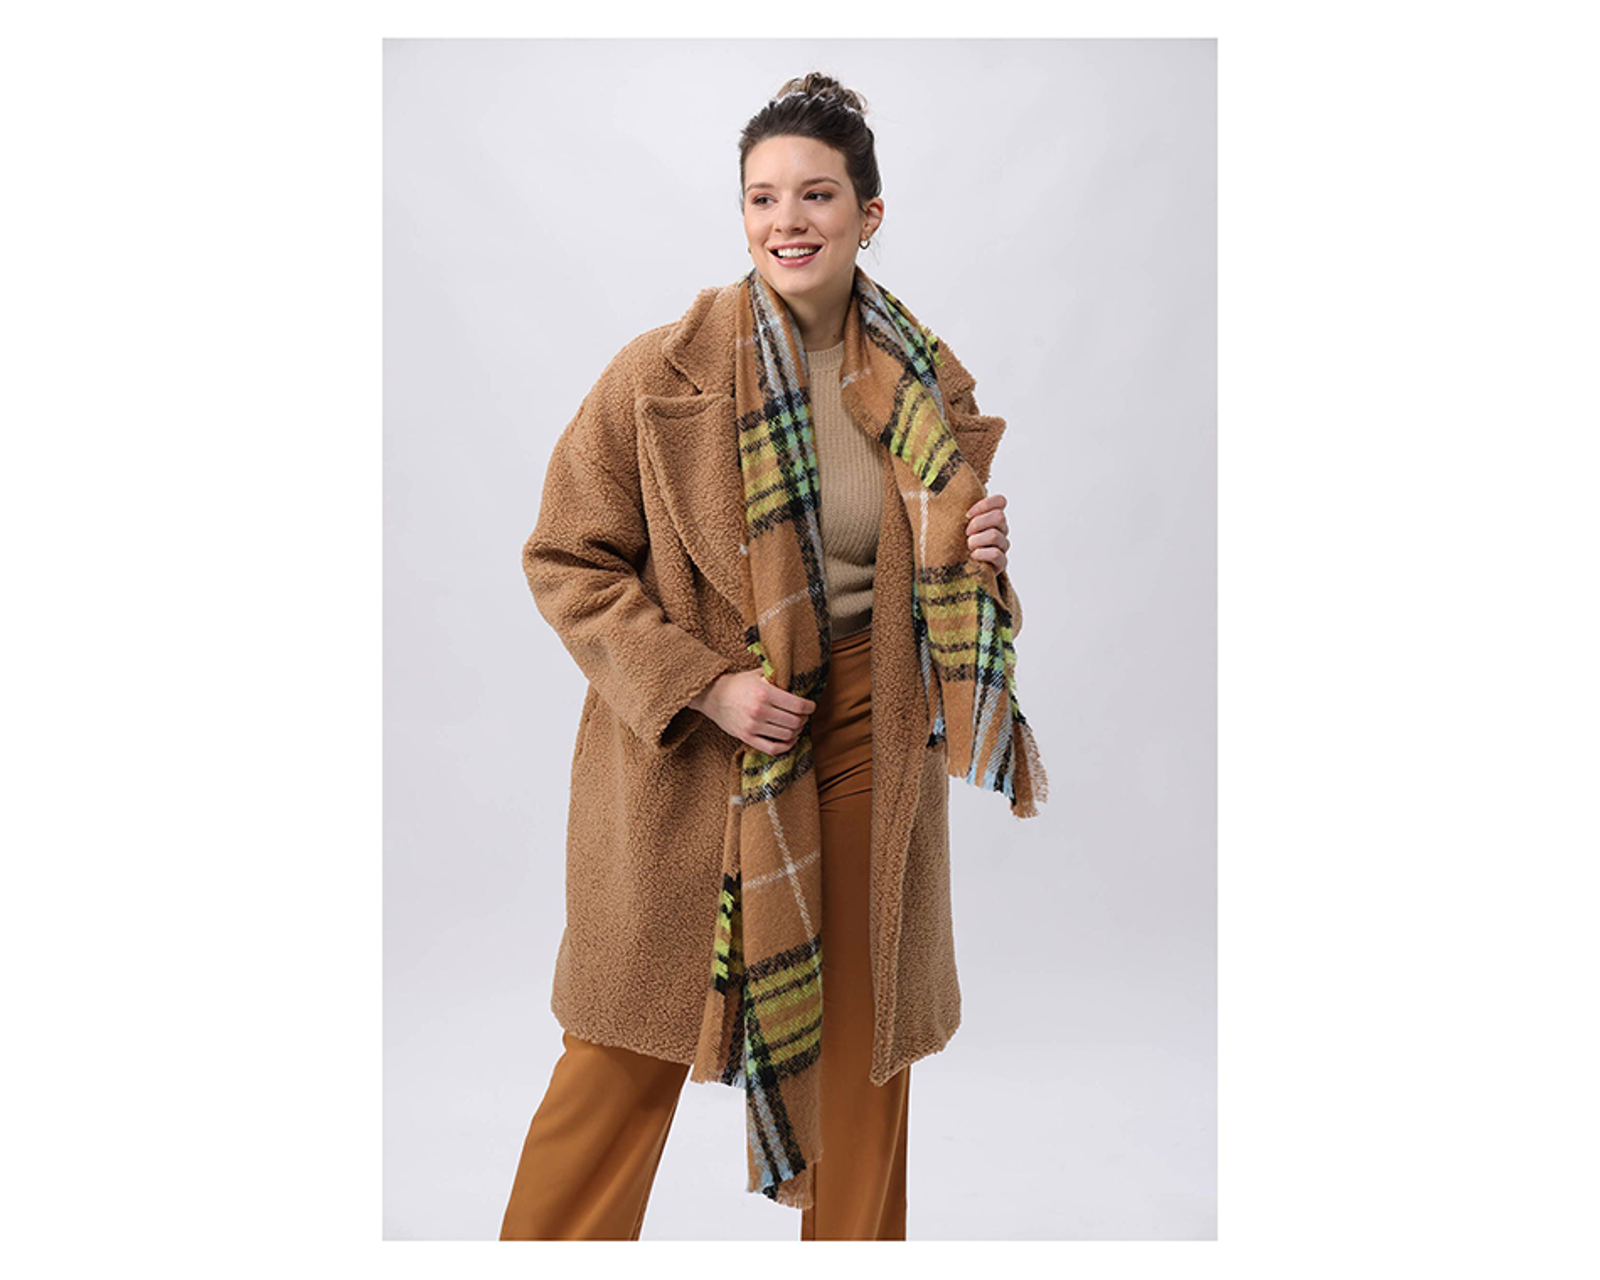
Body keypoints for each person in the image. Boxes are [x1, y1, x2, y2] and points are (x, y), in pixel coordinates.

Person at [499, 71, 1046, 1242]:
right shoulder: (659, 374)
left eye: (816, 193)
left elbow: (942, 597)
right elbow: (566, 557)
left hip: (869, 730)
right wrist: (704, 684)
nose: (786, 219)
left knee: (862, 1056)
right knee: (620, 1050)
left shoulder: (923, 384)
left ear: (868, 212)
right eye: (762, 196)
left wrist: (979, 555)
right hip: (698, 755)